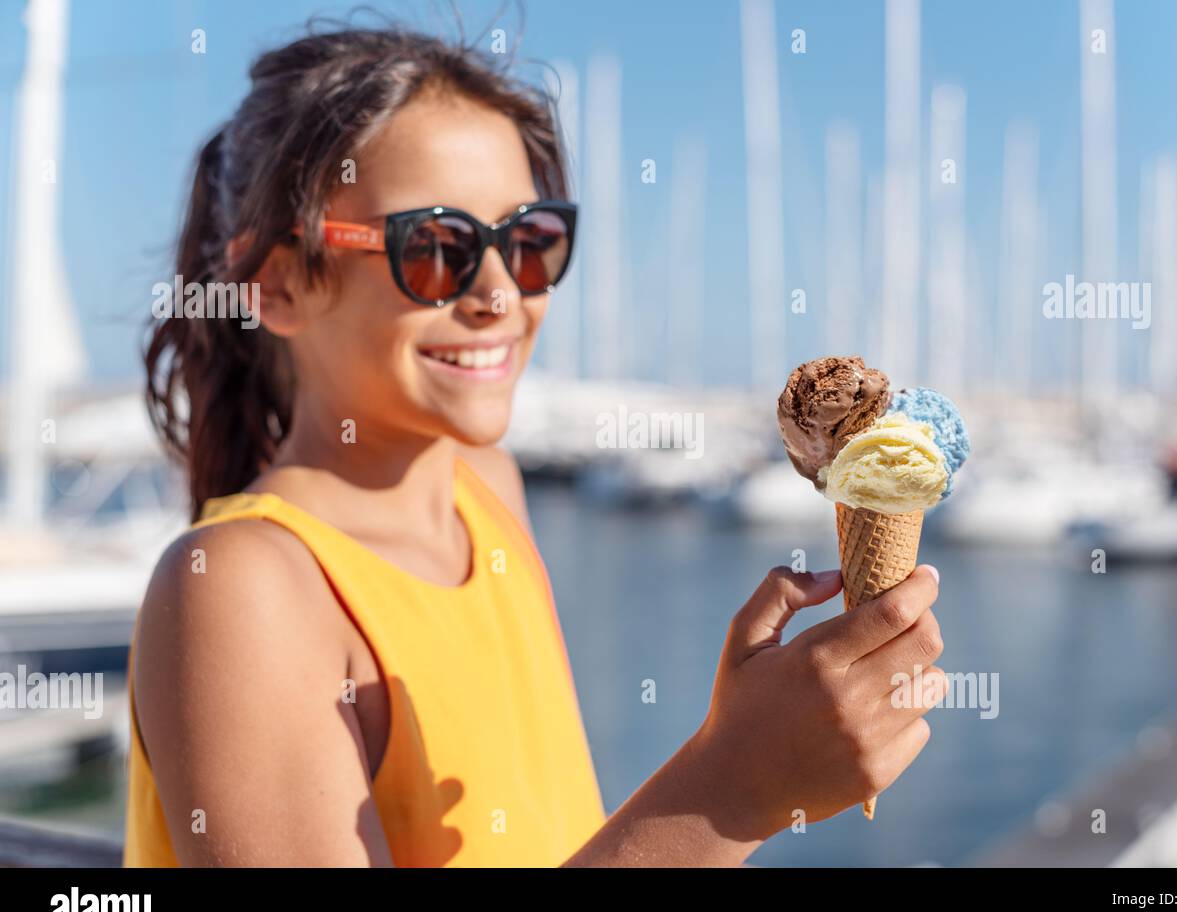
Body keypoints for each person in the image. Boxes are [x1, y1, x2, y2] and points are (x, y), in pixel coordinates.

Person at [126, 24, 947, 867]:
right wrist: (733, 789)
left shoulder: (486, 489)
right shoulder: (237, 591)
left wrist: (750, 760)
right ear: (281, 285)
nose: (497, 292)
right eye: (437, 247)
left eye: (529, 241)